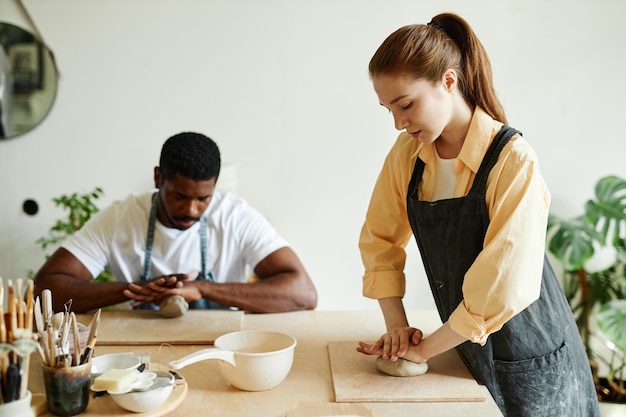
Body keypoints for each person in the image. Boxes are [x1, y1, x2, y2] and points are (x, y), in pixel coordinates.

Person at [355, 13, 599, 417]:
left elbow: (502, 286)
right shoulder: (408, 157)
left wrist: (423, 349)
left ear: (448, 82)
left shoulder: (512, 161)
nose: (399, 123)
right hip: (464, 351)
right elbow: (379, 239)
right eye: (389, 110)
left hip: (533, 359)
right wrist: (397, 329)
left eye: (406, 105)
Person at [34, 132, 318, 316]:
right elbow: (45, 289)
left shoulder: (235, 217)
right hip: (141, 346)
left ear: (215, 188)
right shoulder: (121, 218)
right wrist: (137, 289)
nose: (191, 209)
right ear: (158, 179)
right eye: (179, 196)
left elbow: (303, 293)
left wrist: (204, 289)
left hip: (221, 345)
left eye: (203, 198)